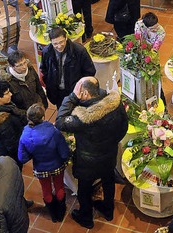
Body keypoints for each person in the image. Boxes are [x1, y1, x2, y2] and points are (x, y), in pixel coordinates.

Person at [55, 77, 128, 229]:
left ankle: (86, 217)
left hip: (88, 161)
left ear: (86, 93)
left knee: (84, 188)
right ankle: (108, 210)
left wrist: (72, 97)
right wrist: (112, 142)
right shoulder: (115, 103)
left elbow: (60, 121)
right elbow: (124, 128)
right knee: (108, 180)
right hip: (109, 154)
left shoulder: (83, 118)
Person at [18, 104, 70, 222]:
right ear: (43, 116)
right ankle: (61, 213)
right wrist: (65, 159)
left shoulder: (25, 135)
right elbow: (63, 151)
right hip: (56, 165)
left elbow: (22, 158)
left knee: (46, 189)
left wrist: (33, 153)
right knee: (59, 187)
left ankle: (53, 215)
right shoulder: (53, 131)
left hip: (40, 167)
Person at [40, 27, 96, 107]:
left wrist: (80, 87)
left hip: (75, 92)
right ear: (51, 42)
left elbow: (90, 71)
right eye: (55, 44)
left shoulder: (79, 51)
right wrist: (50, 83)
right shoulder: (46, 52)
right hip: (57, 93)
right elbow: (44, 69)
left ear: (66, 38)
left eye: (61, 42)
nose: (59, 46)